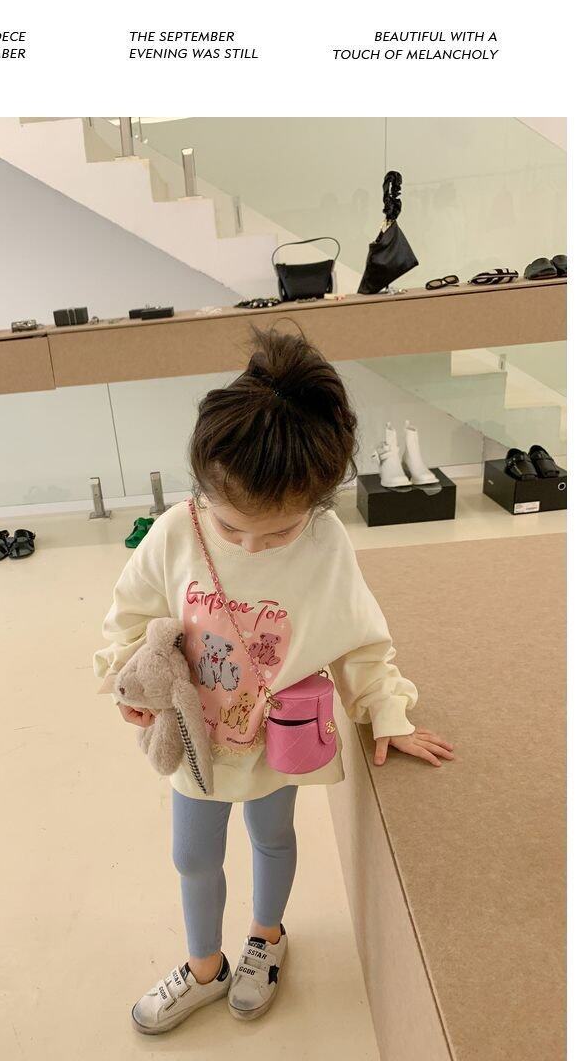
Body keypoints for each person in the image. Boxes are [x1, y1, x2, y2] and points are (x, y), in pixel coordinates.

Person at [93, 325, 453, 1035]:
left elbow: (359, 639)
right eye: (232, 529)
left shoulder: (324, 544)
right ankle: (204, 968)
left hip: (274, 741)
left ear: (317, 504)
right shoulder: (175, 531)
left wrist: (388, 713)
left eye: (279, 532)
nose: (254, 545)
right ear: (204, 488)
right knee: (192, 856)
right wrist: (130, 683)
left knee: (272, 837)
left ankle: (267, 938)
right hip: (194, 739)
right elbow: (127, 618)